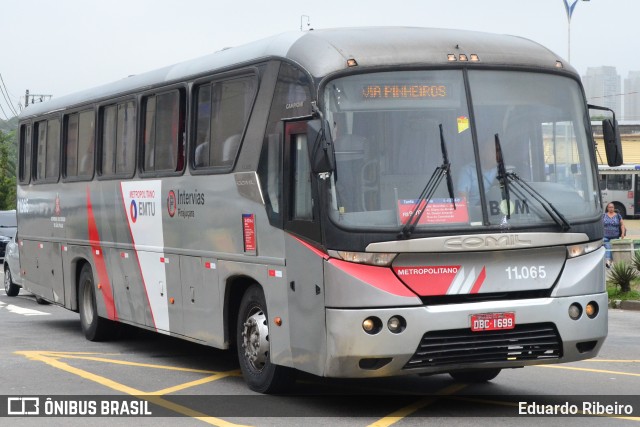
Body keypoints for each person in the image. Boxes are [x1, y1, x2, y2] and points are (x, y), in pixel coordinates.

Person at [603, 203, 626, 268]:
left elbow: (622, 224)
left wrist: (622, 233)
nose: (611, 208)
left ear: (614, 208)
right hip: (605, 236)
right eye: (609, 207)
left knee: (612, 249)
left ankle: (610, 261)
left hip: (615, 236)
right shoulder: (604, 215)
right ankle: (608, 261)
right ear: (607, 208)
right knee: (608, 247)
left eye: (612, 207)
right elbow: (600, 225)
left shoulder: (618, 216)